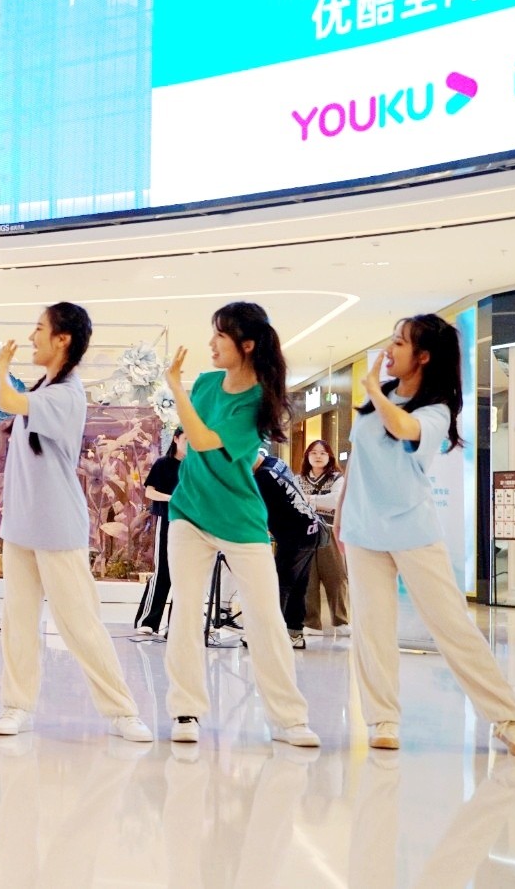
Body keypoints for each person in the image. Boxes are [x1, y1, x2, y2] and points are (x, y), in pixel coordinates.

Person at [338, 315, 515, 756]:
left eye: (399, 343)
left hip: (412, 530)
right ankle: (382, 720)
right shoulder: (378, 397)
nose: (390, 349)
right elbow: (357, 462)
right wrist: (343, 516)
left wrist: (372, 392)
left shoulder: (436, 409)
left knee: (452, 626)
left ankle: (508, 718)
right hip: (363, 531)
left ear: (423, 356)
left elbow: (402, 429)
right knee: (371, 630)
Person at [0, 304, 153, 742]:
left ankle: (122, 711)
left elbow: (8, 401)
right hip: (21, 526)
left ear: (62, 339)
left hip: (57, 525)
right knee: (18, 621)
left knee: (80, 623)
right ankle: (16, 706)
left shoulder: (66, 394)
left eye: (39, 328)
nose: (32, 336)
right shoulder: (45, 386)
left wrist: (0, 370)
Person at [161, 302, 319, 747]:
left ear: (246, 345)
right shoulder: (206, 384)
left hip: (240, 520)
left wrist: (175, 389)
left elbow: (202, 440)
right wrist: (184, 391)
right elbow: (191, 445)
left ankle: (289, 718)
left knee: (265, 617)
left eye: (220, 335)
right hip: (189, 513)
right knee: (185, 611)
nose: (211, 343)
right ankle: (185, 710)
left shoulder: (258, 401)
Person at [253, 451, 324, 650]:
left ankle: (269, 636)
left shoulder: (263, 477)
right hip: (310, 530)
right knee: (298, 585)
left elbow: (259, 512)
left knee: (279, 585)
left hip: (295, 535)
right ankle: (294, 633)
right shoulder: (276, 462)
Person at [134, 428, 186, 636]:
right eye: (186, 439)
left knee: (184, 575)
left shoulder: (195, 466)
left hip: (190, 525)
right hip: (167, 520)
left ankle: (177, 625)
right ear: (176, 439)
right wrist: (171, 498)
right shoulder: (163, 464)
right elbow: (150, 491)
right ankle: (148, 620)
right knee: (163, 571)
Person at [298, 439, 349, 634]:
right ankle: (311, 623)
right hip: (305, 532)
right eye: (313, 452)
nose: (318, 456)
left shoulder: (337, 478)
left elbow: (336, 501)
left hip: (330, 530)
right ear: (307, 457)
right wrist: (320, 502)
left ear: (329, 457)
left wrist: (309, 499)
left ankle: (341, 621)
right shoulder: (297, 479)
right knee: (308, 578)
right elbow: (292, 501)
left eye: (322, 453)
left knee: (336, 576)